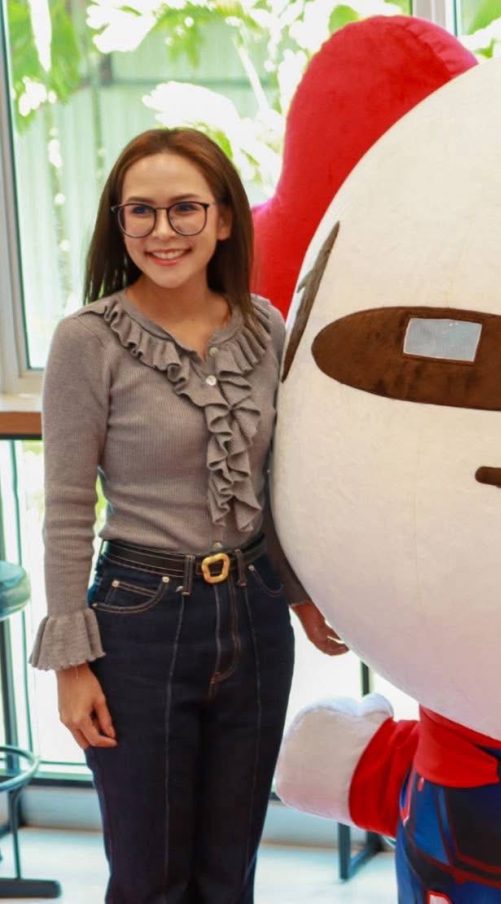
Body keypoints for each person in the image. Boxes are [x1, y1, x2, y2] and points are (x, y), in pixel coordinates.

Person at [29, 127, 348, 903]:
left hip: (255, 616)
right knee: (151, 880)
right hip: (139, 622)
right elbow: (67, 507)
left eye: (185, 208)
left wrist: (301, 595)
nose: (162, 230)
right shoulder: (87, 341)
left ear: (224, 219)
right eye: (140, 211)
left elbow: (271, 485)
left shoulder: (264, 328)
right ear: (118, 221)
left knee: (229, 875)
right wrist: (72, 664)